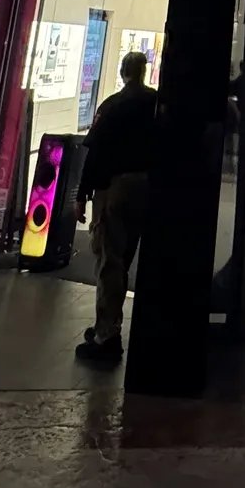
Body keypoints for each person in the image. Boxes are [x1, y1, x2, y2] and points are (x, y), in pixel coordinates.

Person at [73, 49, 157, 366]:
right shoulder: (155, 103)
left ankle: (106, 336)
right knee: (126, 257)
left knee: (110, 261)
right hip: (146, 186)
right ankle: (106, 326)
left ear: (123, 72)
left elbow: (95, 154)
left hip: (116, 188)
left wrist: (82, 195)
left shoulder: (112, 106)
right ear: (144, 72)